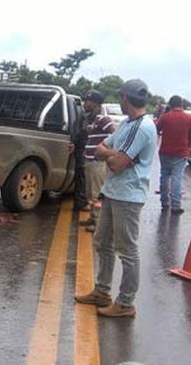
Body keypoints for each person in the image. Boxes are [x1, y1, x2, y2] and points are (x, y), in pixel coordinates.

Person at [75, 79, 157, 318]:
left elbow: (116, 163)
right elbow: (101, 150)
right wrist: (114, 154)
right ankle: (102, 291)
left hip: (128, 196)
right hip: (113, 192)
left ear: (124, 98)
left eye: (120, 98)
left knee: (127, 250)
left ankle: (125, 302)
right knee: (102, 242)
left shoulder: (141, 127)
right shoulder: (127, 125)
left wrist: (113, 155)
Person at [78, 89, 116, 231]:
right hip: (89, 160)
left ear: (95, 103)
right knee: (89, 192)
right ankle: (93, 217)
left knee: (96, 193)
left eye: (87, 101)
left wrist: (107, 151)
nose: (85, 103)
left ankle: (99, 223)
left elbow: (114, 133)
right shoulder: (91, 119)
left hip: (97, 162)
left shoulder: (102, 119)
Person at [155, 95, 191, 214]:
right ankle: (176, 205)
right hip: (181, 153)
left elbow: (157, 130)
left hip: (165, 151)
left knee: (164, 176)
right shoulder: (188, 118)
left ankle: (164, 202)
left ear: (170, 104)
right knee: (177, 178)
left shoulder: (165, 117)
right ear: (181, 105)